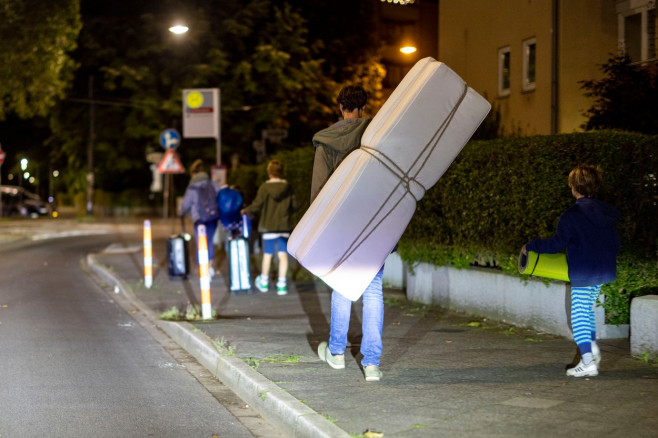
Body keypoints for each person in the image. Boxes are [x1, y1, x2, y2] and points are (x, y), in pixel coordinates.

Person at [311, 84, 385, 382]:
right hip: (375, 223)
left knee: (342, 286)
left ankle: (338, 353)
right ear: (363, 107)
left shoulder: (326, 141)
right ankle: (372, 364)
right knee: (374, 290)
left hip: (342, 225)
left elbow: (319, 191)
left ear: (340, 107)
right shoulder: (377, 134)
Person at [522, 164, 620, 378]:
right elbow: (615, 242)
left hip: (584, 271)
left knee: (578, 316)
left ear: (575, 188)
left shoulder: (572, 215)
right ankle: (591, 350)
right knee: (586, 311)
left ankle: (588, 362)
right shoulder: (607, 212)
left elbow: (556, 244)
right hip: (602, 270)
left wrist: (531, 246)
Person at [242, 159, 298, 295]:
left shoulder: (264, 187)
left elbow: (257, 205)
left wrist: (245, 210)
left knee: (267, 254)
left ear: (269, 172)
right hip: (283, 226)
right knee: (283, 255)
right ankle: (282, 285)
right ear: (281, 172)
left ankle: (264, 282)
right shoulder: (288, 187)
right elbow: (295, 205)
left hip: (268, 227)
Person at [181, 159, 220, 278]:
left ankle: (203, 269)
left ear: (193, 173)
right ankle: (210, 267)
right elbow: (218, 197)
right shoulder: (213, 183)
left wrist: (182, 213)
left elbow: (185, 205)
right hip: (213, 218)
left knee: (201, 243)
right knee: (209, 242)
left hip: (199, 219)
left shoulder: (192, 188)